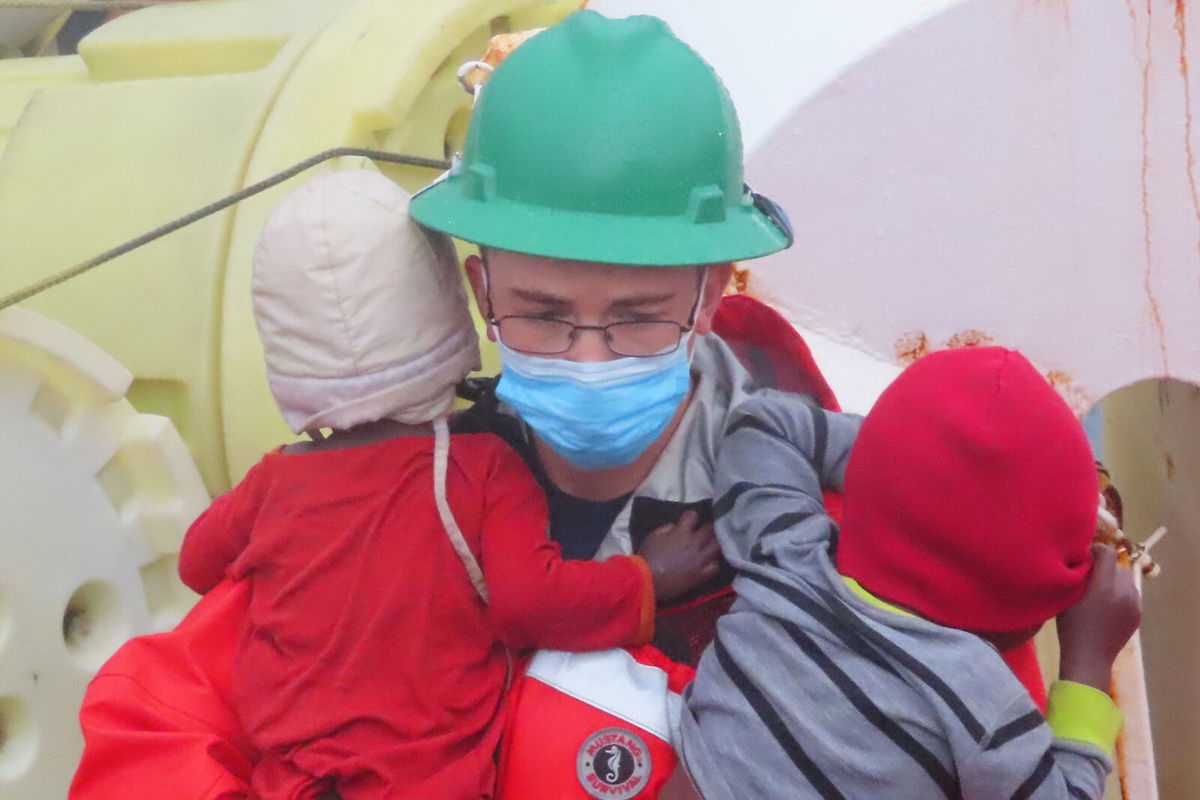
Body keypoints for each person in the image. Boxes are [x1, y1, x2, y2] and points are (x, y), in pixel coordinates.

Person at [69, 11, 1045, 799]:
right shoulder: (384, 494)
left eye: (637, 317)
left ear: (712, 288)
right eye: (540, 313)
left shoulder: (859, 526)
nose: (588, 355)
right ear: (479, 286)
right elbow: (157, 714)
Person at [174, 168, 719, 800]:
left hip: (293, 784)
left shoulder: (272, 481)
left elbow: (196, 563)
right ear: (452, 309)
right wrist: (649, 578)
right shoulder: (479, 469)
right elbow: (530, 603)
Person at [675, 346, 1141, 799]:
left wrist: (906, 463)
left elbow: (764, 426)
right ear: (1031, 604)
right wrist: (1088, 667)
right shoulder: (982, 704)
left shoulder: (786, 553)